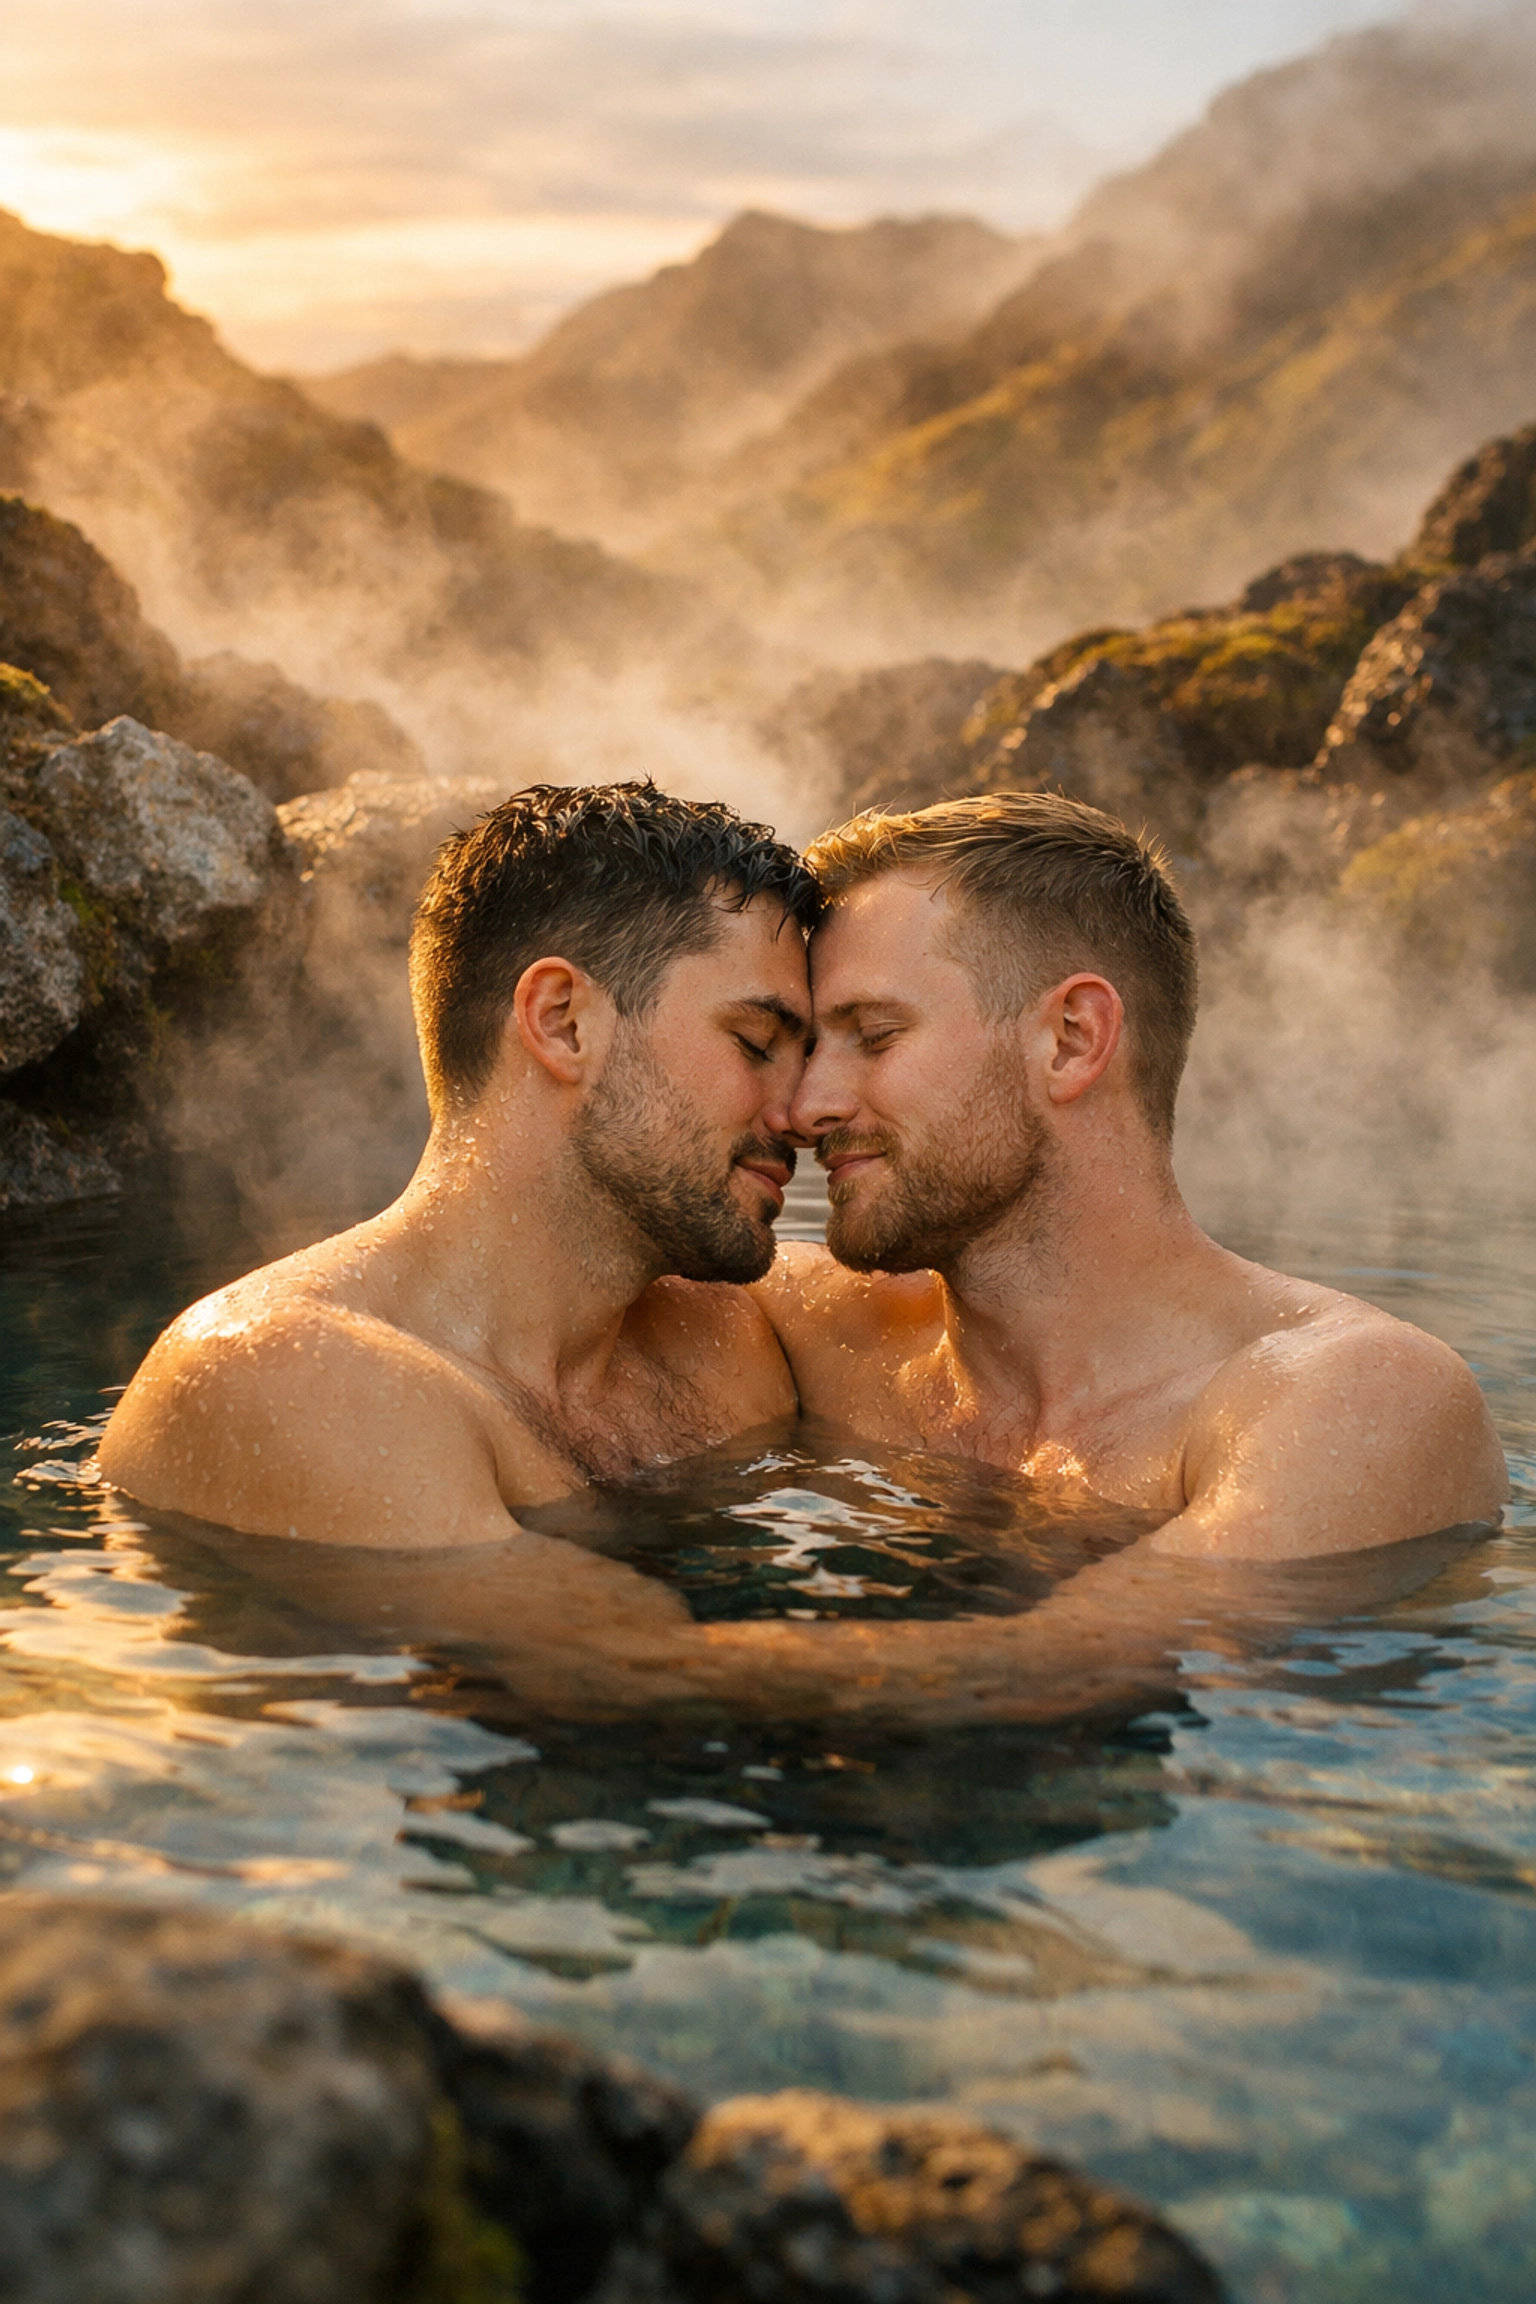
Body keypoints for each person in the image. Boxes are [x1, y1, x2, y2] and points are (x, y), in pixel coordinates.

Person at [755, 791, 1509, 1560]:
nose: (807, 1104)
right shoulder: (818, 1331)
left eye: (875, 1036)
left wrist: (626, 1643)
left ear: (1073, 1041)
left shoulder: (1350, 1396)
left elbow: (1065, 1658)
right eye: (810, 1047)